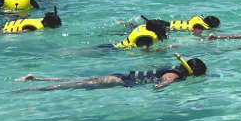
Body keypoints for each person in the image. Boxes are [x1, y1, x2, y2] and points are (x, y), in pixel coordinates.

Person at [13, 53, 206, 92]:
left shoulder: (175, 67)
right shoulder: (176, 74)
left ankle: (36, 77)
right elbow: (165, 80)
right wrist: (161, 88)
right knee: (72, 85)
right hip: (120, 81)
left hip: (122, 75)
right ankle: (32, 88)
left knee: (79, 80)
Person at [104, 16, 173, 50]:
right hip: (114, 50)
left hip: (111, 46)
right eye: (163, 29)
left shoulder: (144, 27)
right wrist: (165, 48)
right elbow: (144, 50)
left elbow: (133, 26)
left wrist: (123, 23)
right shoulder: (147, 38)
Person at [116, 15, 220, 35]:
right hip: (166, 28)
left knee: (136, 28)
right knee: (131, 31)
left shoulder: (199, 18)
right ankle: (119, 31)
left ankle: (124, 24)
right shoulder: (200, 26)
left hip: (164, 22)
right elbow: (196, 33)